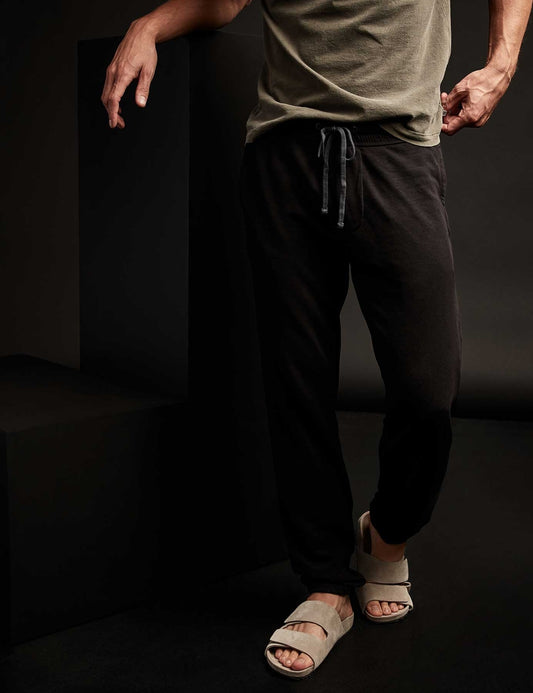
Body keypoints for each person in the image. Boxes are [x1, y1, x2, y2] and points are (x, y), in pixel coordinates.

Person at [101, 0, 532, 680]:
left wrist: (501, 66)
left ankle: (385, 536)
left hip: (397, 151)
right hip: (285, 153)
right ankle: (325, 582)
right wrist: (147, 25)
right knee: (295, 382)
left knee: (428, 391)